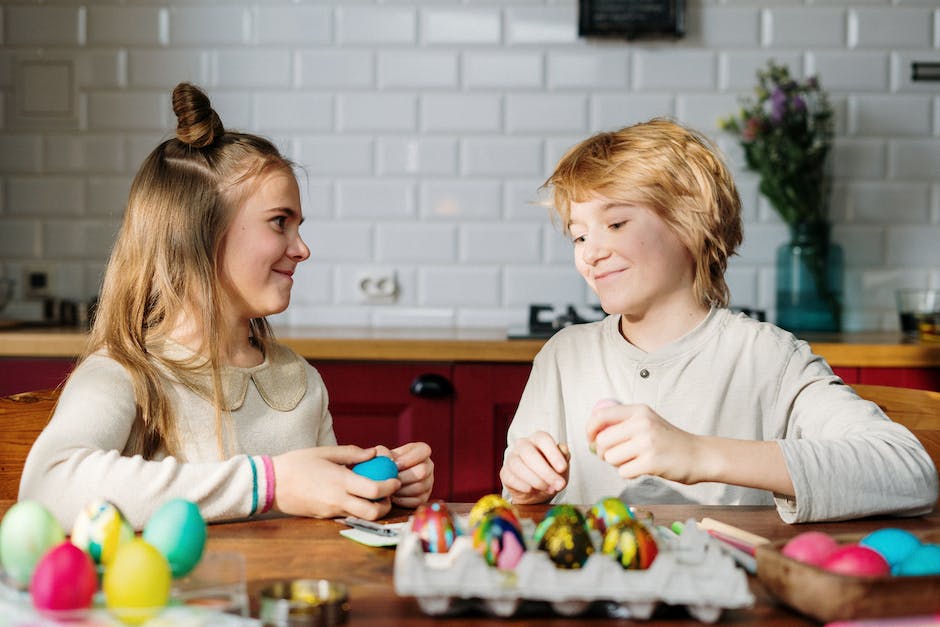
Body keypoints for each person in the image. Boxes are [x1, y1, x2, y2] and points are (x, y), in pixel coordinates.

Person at [19, 83, 434, 530]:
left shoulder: (298, 382)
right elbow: (47, 488)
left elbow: (317, 522)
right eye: (280, 222)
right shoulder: (126, 373)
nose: (302, 249)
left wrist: (372, 492)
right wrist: (267, 483)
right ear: (200, 232)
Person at [499, 118, 938, 523]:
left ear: (692, 221)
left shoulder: (768, 358)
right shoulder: (564, 356)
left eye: (615, 223)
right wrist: (524, 487)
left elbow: (909, 472)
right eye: (579, 235)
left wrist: (698, 454)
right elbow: (516, 496)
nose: (590, 253)